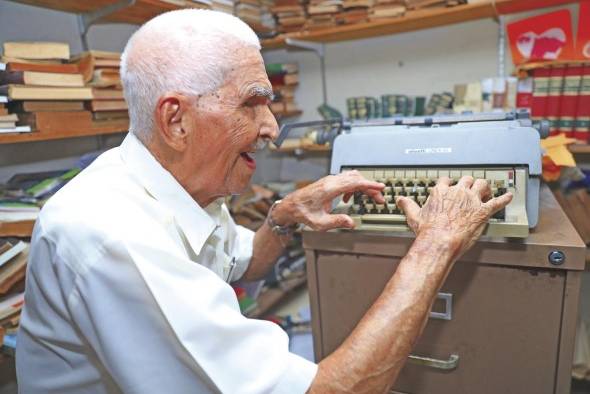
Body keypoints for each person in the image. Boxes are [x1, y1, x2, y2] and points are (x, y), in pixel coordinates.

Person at [15, 9, 512, 394]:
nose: (272, 128)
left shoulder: (184, 184)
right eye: (252, 103)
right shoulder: (113, 235)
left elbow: (242, 263)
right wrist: (437, 243)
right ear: (176, 121)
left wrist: (282, 217)